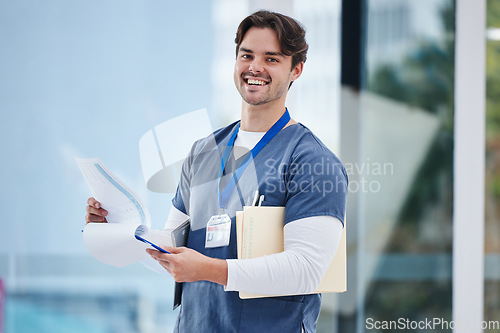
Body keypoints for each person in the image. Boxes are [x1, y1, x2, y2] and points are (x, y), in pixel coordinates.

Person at [86, 10, 348, 332]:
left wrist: (212, 269)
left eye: (272, 59)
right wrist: (120, 230)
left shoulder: (311, 161)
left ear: (296, 70)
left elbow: (308, 269)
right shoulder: (203, 152)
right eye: (247, 55)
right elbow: (172, 249)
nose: (255, 67)